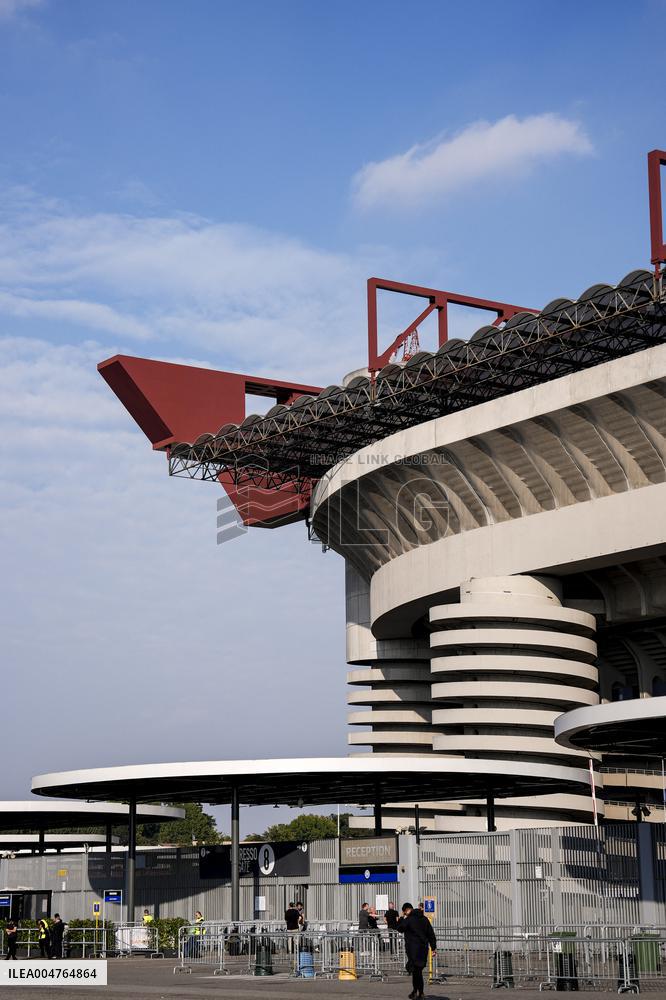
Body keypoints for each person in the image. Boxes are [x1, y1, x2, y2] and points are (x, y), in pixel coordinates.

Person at [397, 902, 437, 1000]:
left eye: (404, 912)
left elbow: (400, 928)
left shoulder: (409, 919)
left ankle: (419, 993)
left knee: (415, 971)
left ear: (406, 911)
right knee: (418, 971)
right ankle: (416, 992)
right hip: (423, 949)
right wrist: (433, 948)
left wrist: (402, 918)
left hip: (412, 949)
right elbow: (431, 934)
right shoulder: (424, 919)